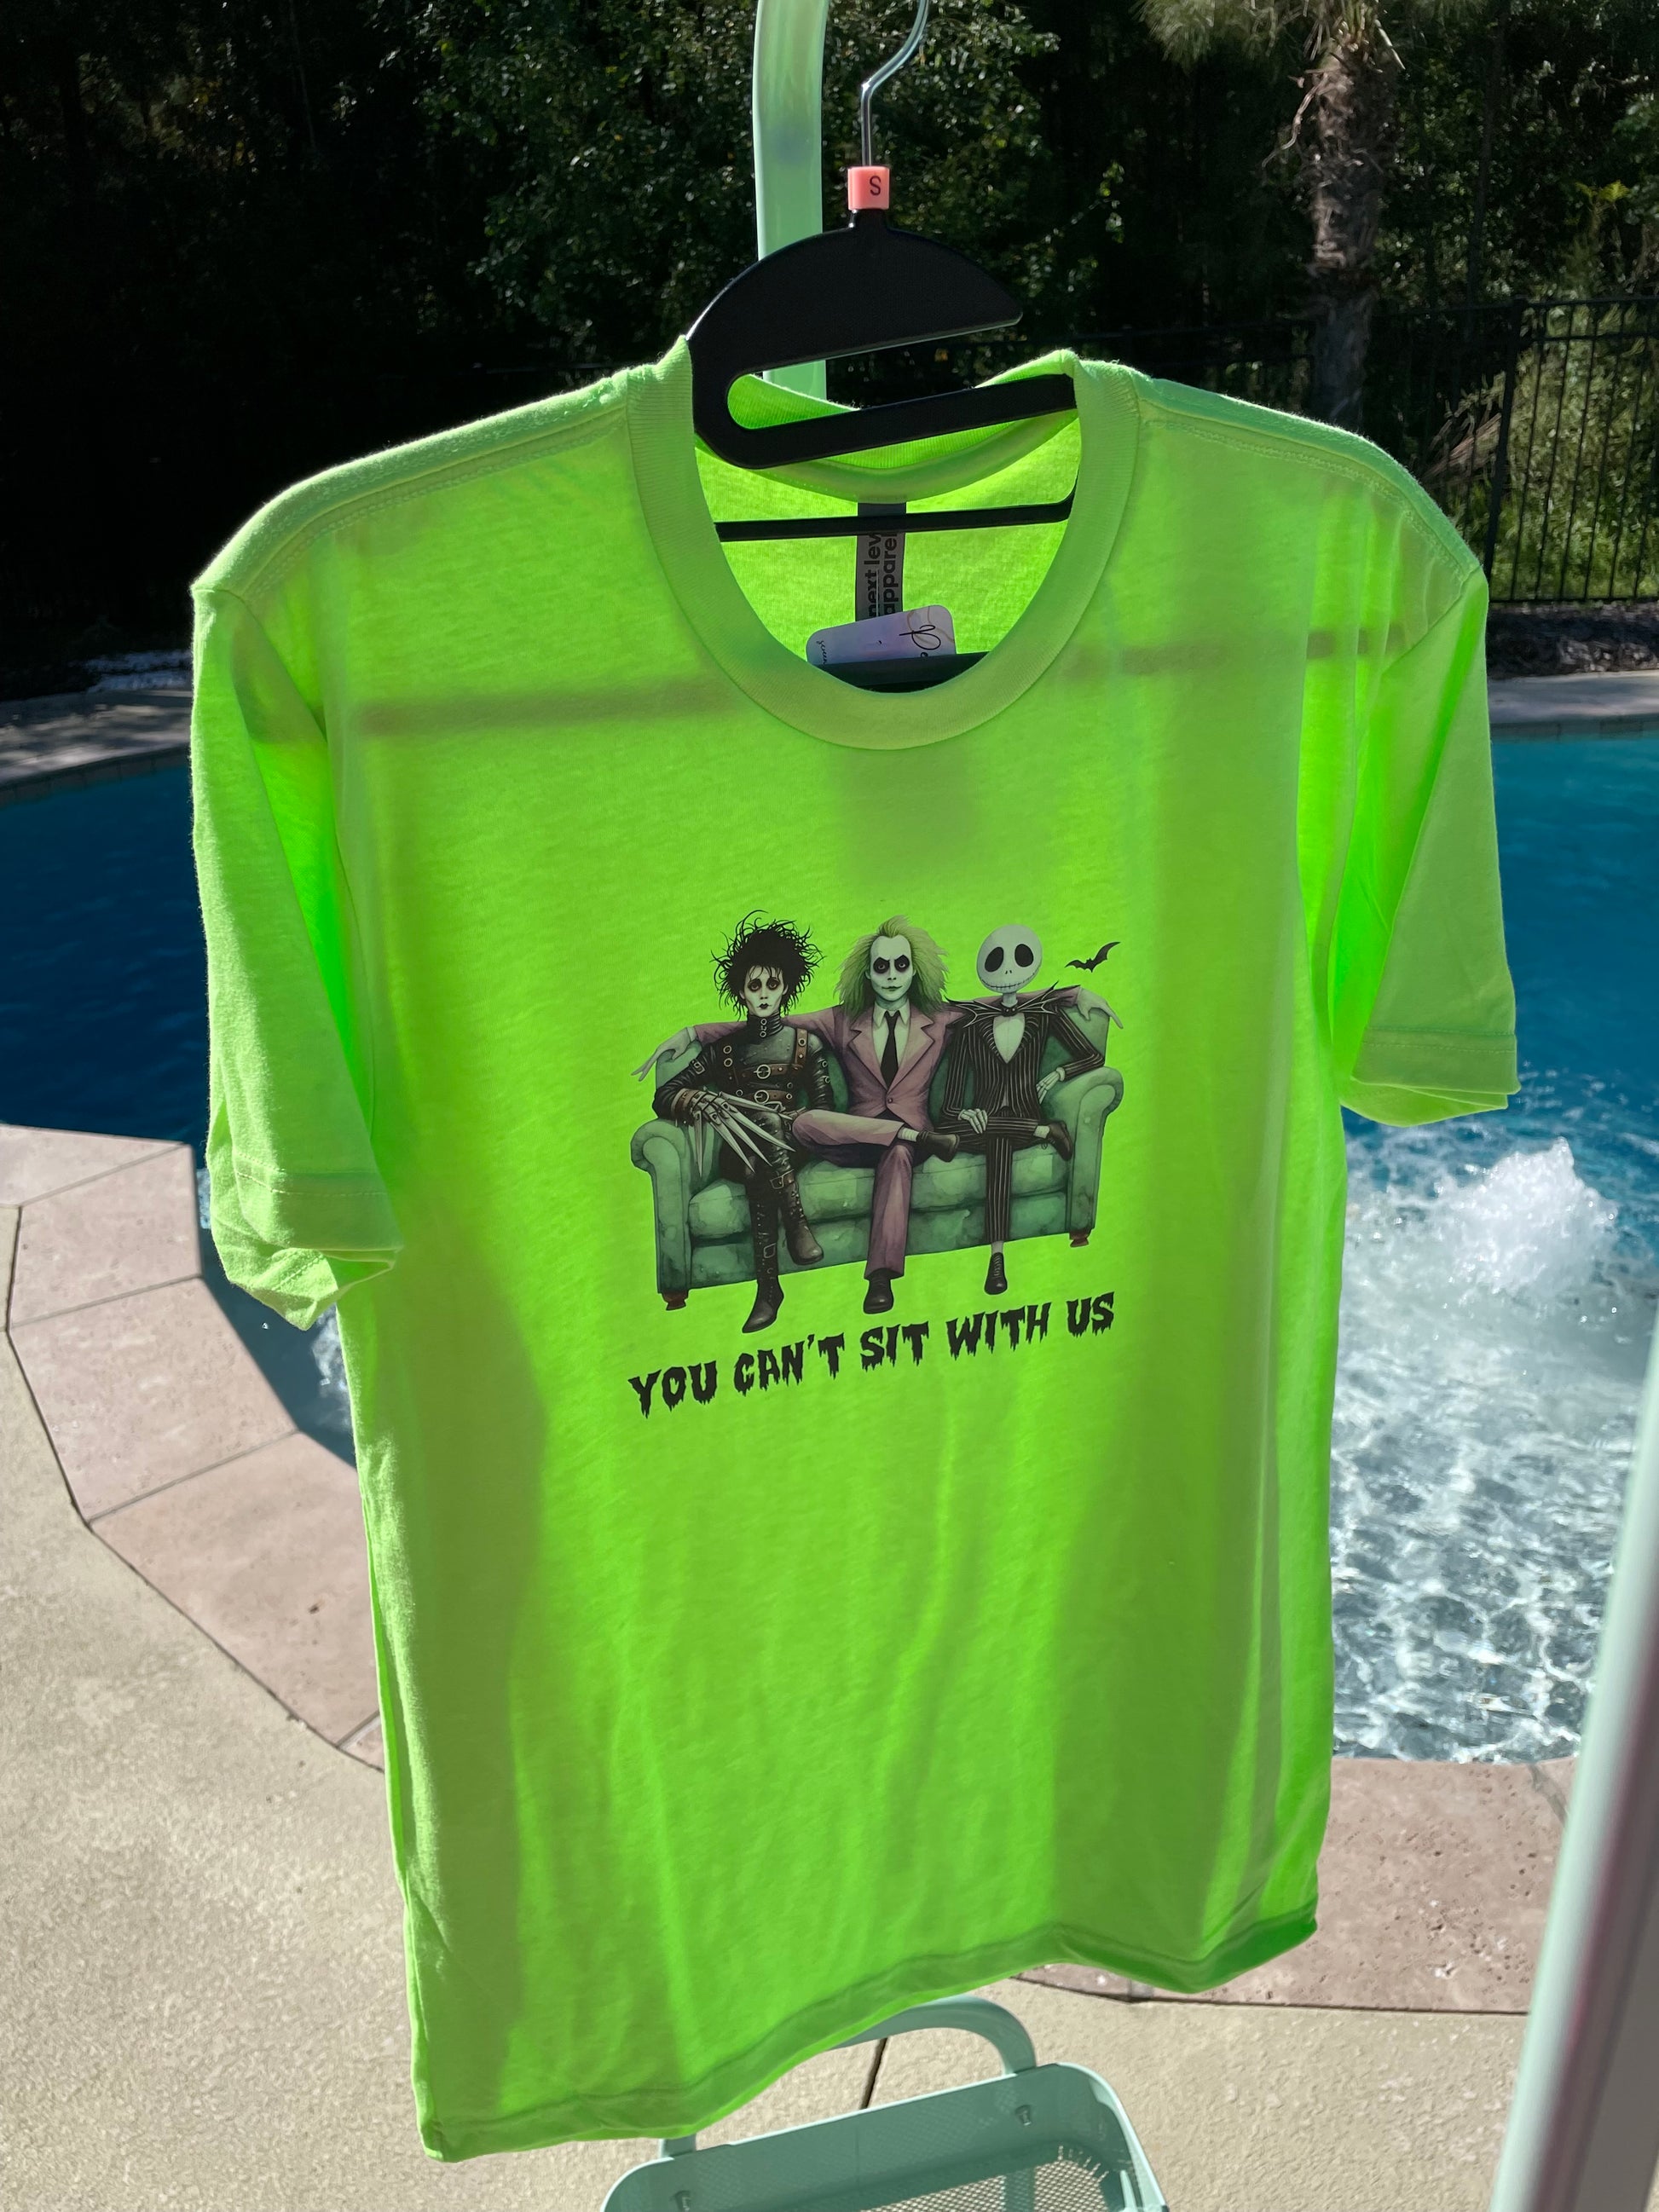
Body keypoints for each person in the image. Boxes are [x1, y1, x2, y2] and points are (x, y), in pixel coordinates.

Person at [651, 915, 831, 1335]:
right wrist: (695, 1098)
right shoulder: (725, 1050)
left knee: (759, 1166)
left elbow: (825, 1109)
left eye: (772, 984)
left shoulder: (807, 1043)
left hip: (790, 1146)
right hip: (736, 1149)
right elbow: (664, 1095)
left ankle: (768, 1292)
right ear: (741, 993)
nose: (764, 993)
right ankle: (797, 1225)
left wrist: (798, 1121)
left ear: (785, 988)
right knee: (754, 1148)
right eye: (754, 985)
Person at [937, 923, 1106, 1296]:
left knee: (998, 1141)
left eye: (1019, 958)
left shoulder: (1045, 1015)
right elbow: (948, 1106)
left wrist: (1059, 1073)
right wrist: (966, 1113)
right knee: (976, 1133)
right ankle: (1046, 1131)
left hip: (1021, 1116)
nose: (1010, 969)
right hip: (991, 1124)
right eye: (999, 960)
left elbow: (1093, 1056)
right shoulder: (970, 1026)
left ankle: (997, 1257)